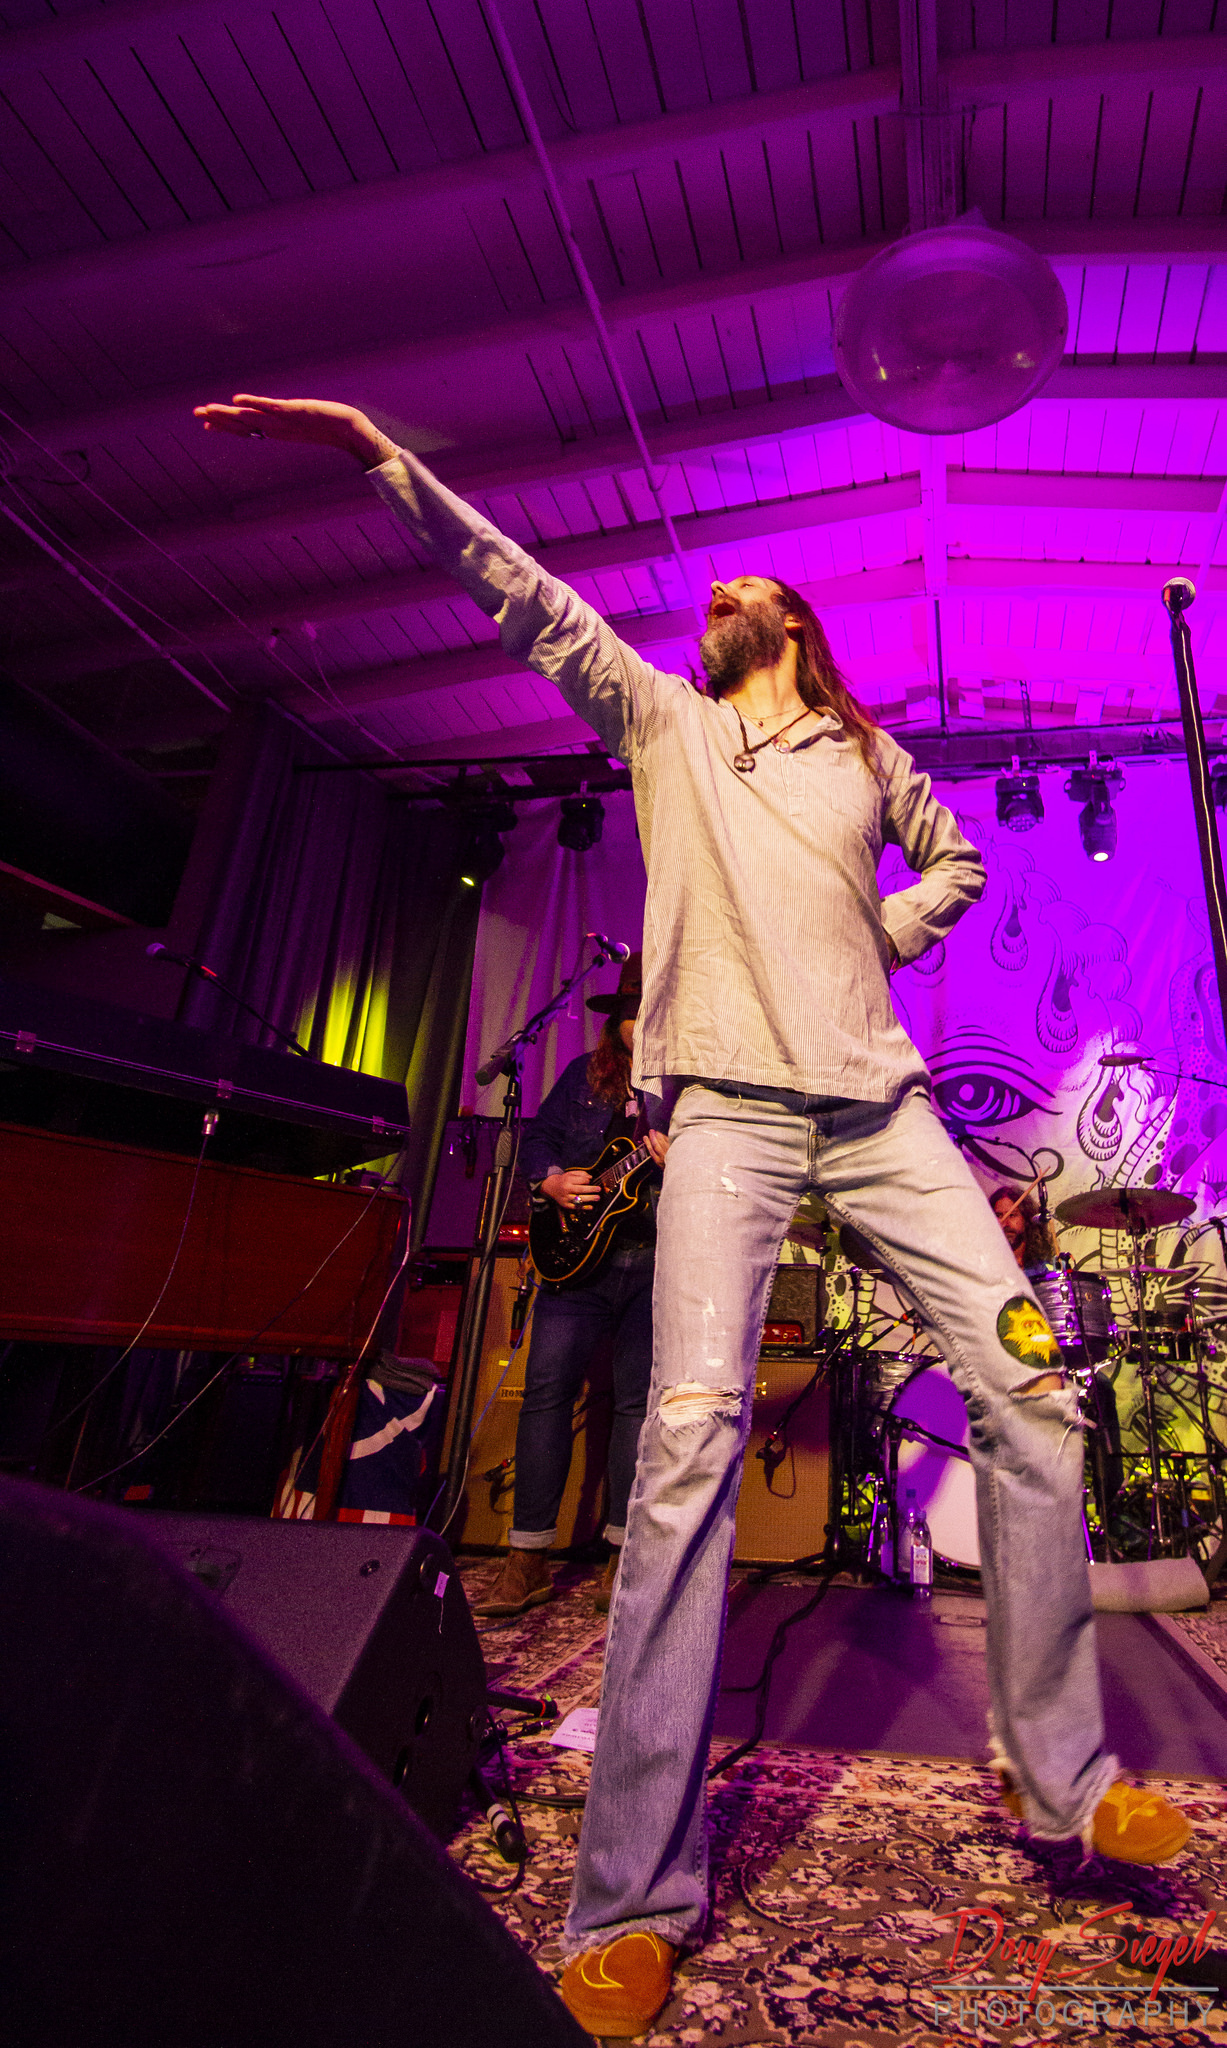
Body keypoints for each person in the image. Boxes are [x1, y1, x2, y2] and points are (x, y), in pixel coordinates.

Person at [194, 396, 1190, 2041]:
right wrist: (381, 454)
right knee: (682, 1447)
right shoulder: (662, 722)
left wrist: (874, 939)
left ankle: (1057, 1774)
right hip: (722, 1112)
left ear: (791, 628)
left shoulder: (867, 756)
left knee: (1027, 1385)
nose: (715, 594)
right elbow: (529, 602)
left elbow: (952, 867)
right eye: (711, 592)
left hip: (881, 1110)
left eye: (746, 589)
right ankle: (632, 1899)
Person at [473, 955, 661, 1619]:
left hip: (654, 1259)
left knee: (636, 1408)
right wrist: (550, 1180)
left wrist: (686, 1152)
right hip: (574, 1263)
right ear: (616, 1019)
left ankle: (621, 1554)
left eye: (649, 1010)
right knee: (545, 1397)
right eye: (630, 1012)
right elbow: (538, 1140)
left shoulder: (688, 1088)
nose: (638, 1022)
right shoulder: (584, 1075)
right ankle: (526, 1557)